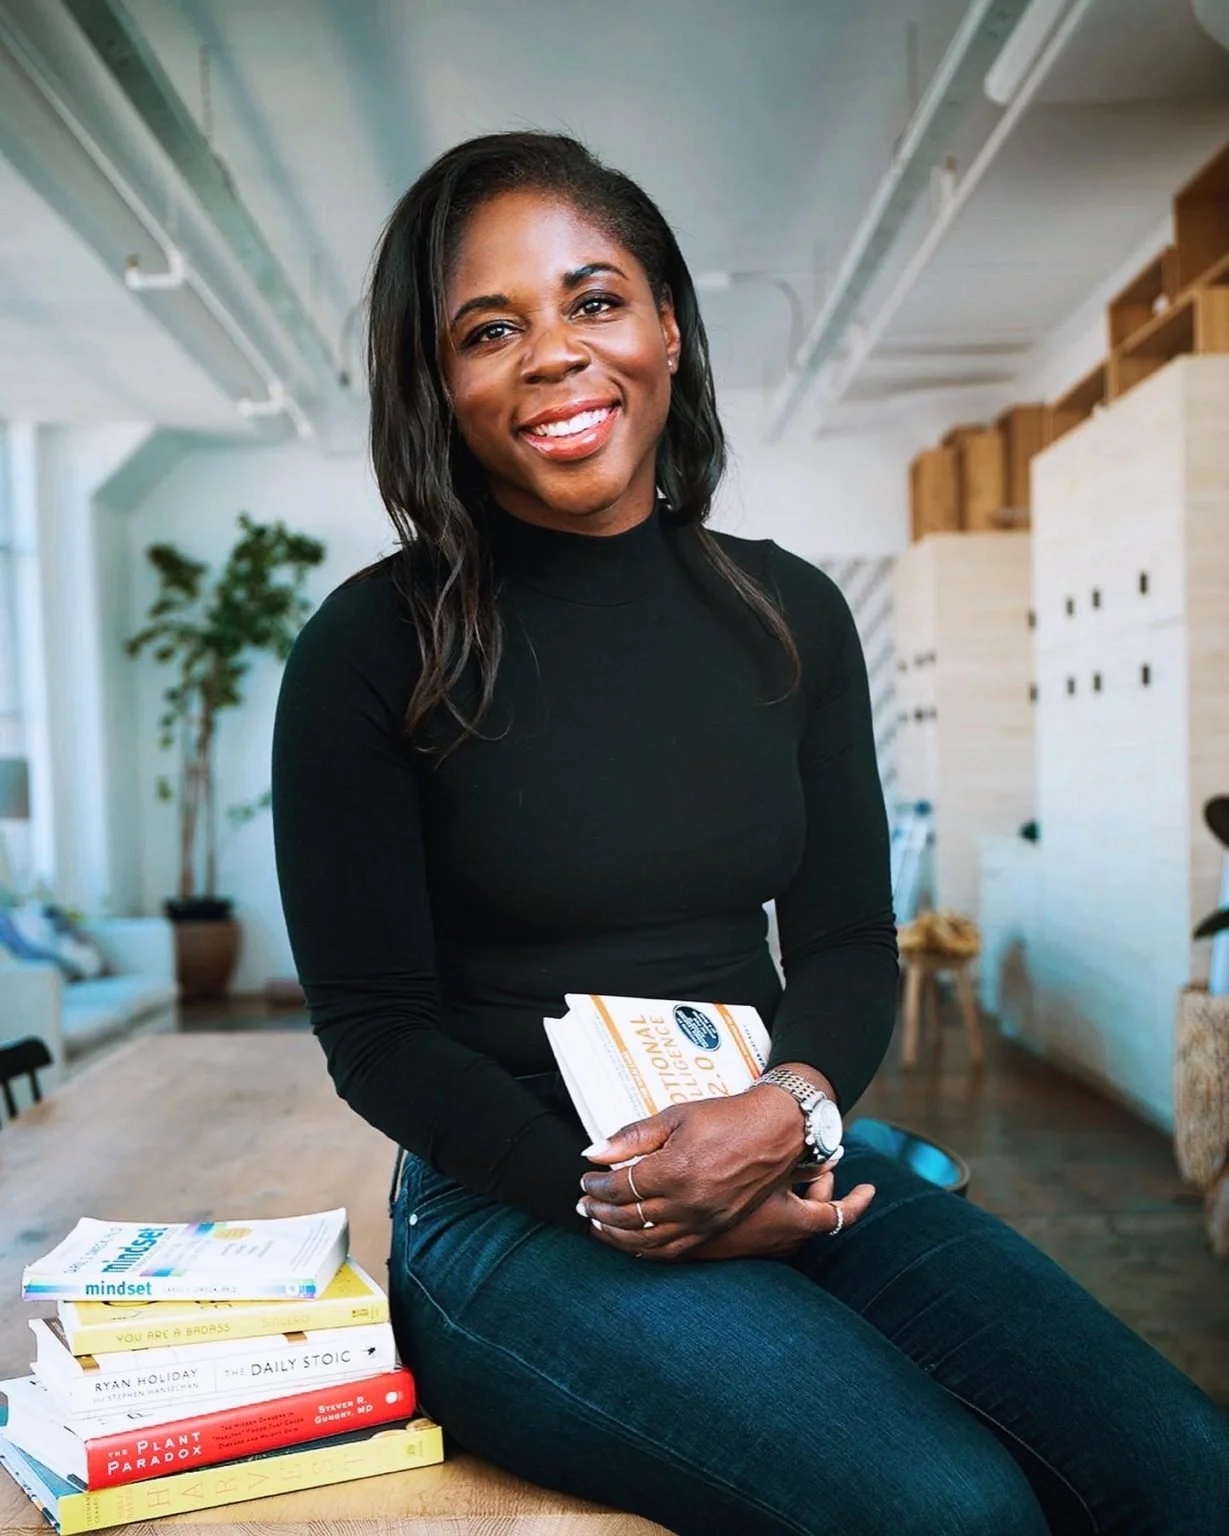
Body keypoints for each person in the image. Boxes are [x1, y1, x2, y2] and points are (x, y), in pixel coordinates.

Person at [271, 132, 1228, 1535]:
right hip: (517, 1211)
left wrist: (786, 1111)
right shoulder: (370, 647)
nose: (553, 354)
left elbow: (846, 940)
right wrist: (633, 1195)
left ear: (666, 322)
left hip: (781, 1149)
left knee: (1184, 1471)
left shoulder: (787, 617)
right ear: (442, 383)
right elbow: (375, 1031)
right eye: (491, 328)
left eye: (594, 301)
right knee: (948, 1511)